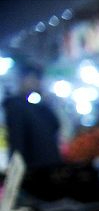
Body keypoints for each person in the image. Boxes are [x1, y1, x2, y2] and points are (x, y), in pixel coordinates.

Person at [3, 63, 63, 199]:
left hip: (47, 168)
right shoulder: (15, 105)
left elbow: (55, 125)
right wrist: (16, 170)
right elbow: (16, 140)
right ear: (23, 79)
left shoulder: (38, 106)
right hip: (33, 171)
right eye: (34, 78)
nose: (37, 82)